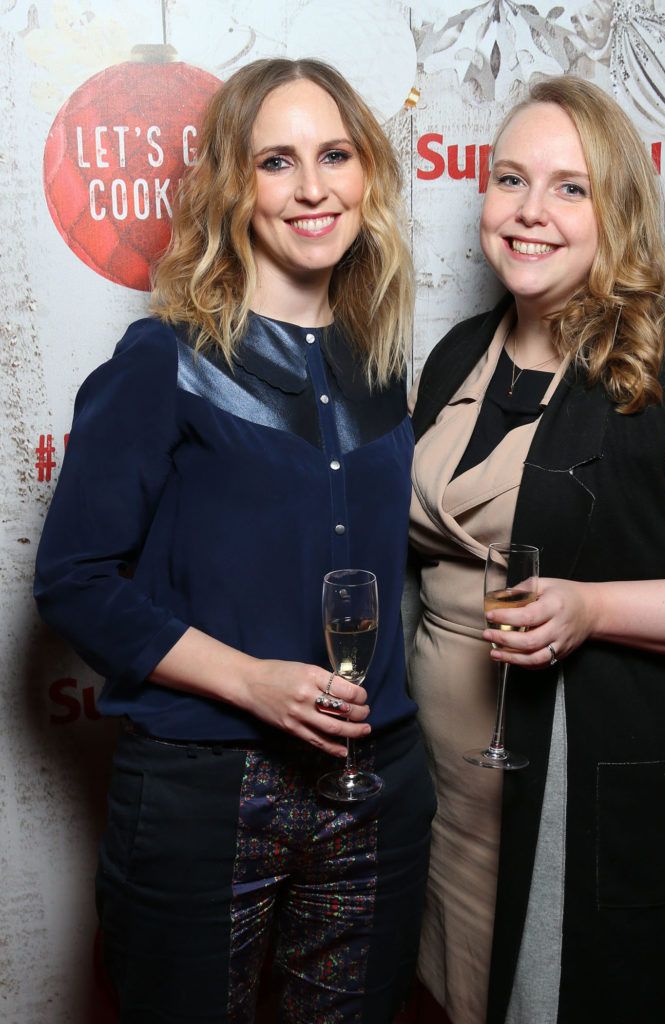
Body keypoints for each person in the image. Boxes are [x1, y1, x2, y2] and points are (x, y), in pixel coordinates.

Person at [407, 75, 665, 1024]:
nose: (528, 212)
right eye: (509, 179)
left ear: (619, 211)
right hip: (445, 810)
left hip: (572, 807)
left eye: (568, 187)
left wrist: (595, 609)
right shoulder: (455, 355)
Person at [34, 58, 434, 1023]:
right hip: (206, 789)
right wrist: (252, 680)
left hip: (375, 780)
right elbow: (74, 580)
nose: (312, 188)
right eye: (276, 162)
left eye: (335, 155)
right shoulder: (163, 359)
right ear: (231, 185)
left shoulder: (383, 362)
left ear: (367, 174)